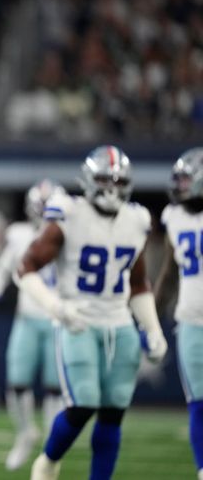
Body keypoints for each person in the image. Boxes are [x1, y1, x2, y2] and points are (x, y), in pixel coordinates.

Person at [17, 146, 167, 480]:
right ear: (88, 180)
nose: (111, 188)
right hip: (79, 321)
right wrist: (56, 306)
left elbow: (138, 282)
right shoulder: (69, 212)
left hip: (121, 324)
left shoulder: (137, 219)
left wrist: (153, 328)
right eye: (103, 179)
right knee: (83, 405)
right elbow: (25, 268)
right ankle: (48, 461)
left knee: (113, 413)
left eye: (118, 181)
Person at [0, 179, 66, 470]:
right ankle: (25, 433)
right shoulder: (19, 235)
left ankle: (52, 446)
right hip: (27, 318)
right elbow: (4, 268)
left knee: (55, 388)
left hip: (58, 319)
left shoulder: (70, 234)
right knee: (17, 383)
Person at [154, 147, 203, 480]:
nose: (181, 185)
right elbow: (170, 272)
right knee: (198, 402)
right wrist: (151, 315)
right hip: (190, 320)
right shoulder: (175, 216)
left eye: (187, 179)